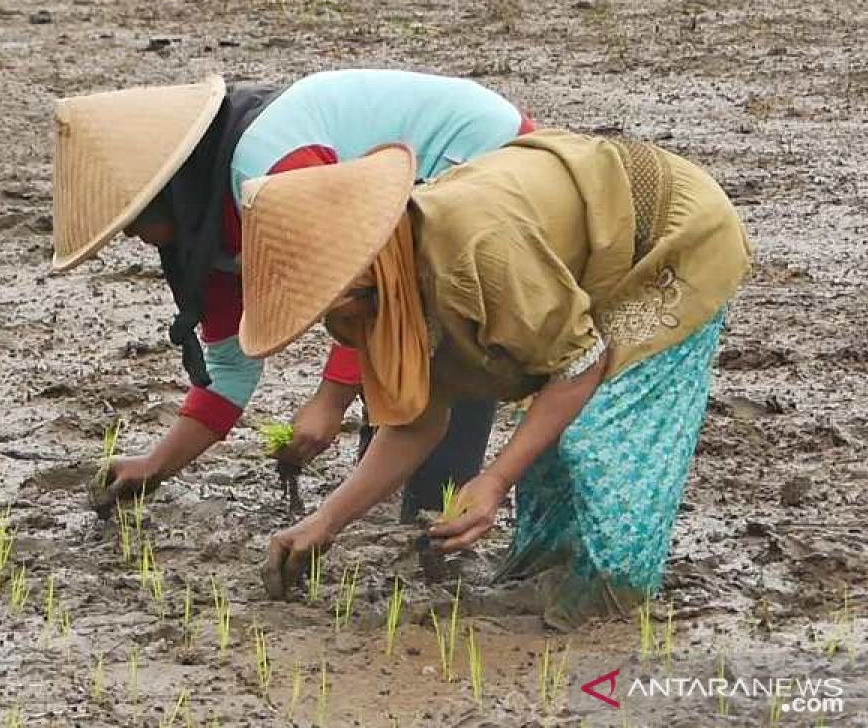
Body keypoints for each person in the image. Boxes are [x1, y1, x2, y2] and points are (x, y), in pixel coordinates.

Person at [238, 129, 751, 629]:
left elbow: (579, 365)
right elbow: (418, 422)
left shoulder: (472, 251)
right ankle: (548, 571)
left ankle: (614, 600)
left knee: (598, 438)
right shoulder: (387, 287)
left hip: (671, 234)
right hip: (589, 253)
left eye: (328, 302)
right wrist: (326, 521)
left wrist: (495, 480)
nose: (334, 323)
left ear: (356, 274)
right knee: (548, 445)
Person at [49, 69, 535, 519]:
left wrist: (328, 402)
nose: (134, 238)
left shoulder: (271, 171)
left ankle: (440, 524)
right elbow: (231, 368)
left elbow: (376, 287)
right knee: (392, 430)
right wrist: (154, 466)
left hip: (479, 167)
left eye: (134, 223)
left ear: (168, 192)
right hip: (404, 231)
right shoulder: (205, 230)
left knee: (441, 347)